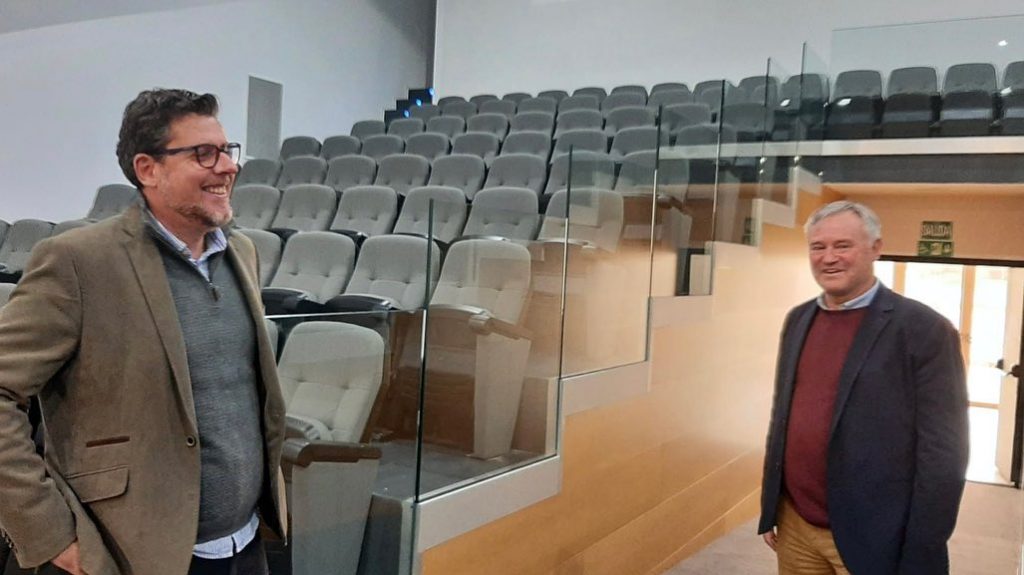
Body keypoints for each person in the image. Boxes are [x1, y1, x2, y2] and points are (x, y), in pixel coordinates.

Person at [0, 89, 286, 575]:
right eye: (204, 153)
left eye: (227, 150)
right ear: (148, 169)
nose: (228, 167)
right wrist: (49, 534)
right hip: (131, 553)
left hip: (246, 545)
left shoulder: (243, 254)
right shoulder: (78, 261)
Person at [758, 201, 969, 574]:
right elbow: (782, 419)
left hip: (877, 534)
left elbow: (944, 454)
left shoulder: (924, 329)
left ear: (875, 248)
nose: (828, 258)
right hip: (796, 526)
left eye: (843, 245)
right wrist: (770, 506)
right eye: (818, 247)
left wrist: (921, 548)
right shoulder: (799, 319)